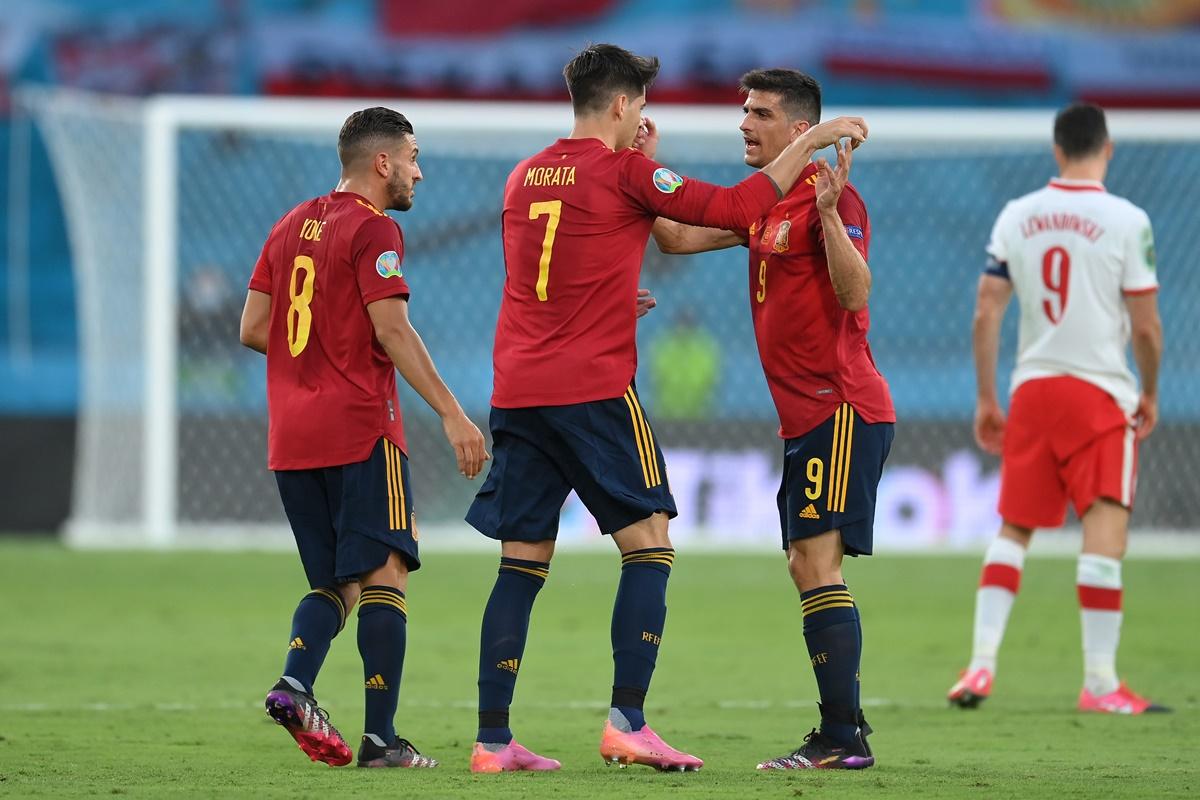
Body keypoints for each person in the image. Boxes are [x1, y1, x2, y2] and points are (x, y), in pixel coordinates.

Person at [464, 45, 868, 774]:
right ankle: (628, 723)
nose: (645, 119)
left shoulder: (523, 176)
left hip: (518, 389)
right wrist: (812, 138)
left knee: (521, 559)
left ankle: (493, 740)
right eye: (642, 106)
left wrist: (609, 300)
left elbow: (547, 273)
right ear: (621, 105)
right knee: (649, 543)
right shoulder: (626, 170)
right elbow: (741, 206)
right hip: (591, 387)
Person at [652, 68, 894, 770]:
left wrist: (824, 215)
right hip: (803, 419)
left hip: (841, 405)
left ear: (798, 129)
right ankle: (845, 724)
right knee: (804, 563)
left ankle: (842, 738)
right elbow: (673, 237)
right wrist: (634, 161)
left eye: (759, 113)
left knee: (816, 563)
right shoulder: (761, 207)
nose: (745, 124)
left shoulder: (836, 200)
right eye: (744, 111)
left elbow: (855, 293)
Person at [238, 106, 488, 769]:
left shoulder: (290, 222)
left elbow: (255, 327)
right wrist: (452, 413)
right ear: (382, 163)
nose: (418, 171)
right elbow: (392, 330)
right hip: (359, 428)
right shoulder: (375, 228)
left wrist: (317, 353)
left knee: (332, 584)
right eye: (412, 157)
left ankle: (294, 683)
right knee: (385, 574)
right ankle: (381, 738)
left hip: (292, 434)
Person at [947, 103, 1168, 715]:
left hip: (1034, 390)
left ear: (1056, 150)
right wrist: (1149, 388)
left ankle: (980, 667)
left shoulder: (1020, 214)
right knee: (1103, 531)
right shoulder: (1128, 220)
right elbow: (1146, 327)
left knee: (1014, 528)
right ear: (1108, 148)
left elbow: (987, 309)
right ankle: (1100, 682)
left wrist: (990, 397)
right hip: (1099, 391)